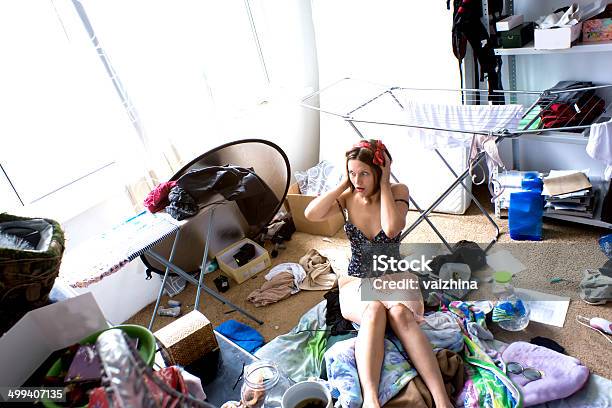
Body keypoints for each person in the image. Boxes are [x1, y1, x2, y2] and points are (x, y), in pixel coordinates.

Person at [305, 140, 454, 408]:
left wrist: (384, 183)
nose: (357, 180)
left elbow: (392, 228)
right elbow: (310, 213)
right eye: (352, 173)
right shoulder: (347, 197)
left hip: (393, 275)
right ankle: (370, 399)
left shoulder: (398, 191)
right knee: (373, 310)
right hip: (358, 280)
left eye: (364, 173)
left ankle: (442, 399)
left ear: (379, 170)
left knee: (399, 314)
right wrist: (342, 184)